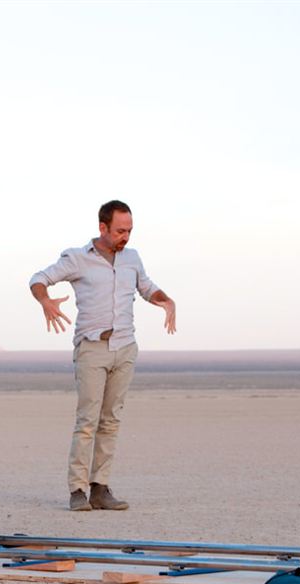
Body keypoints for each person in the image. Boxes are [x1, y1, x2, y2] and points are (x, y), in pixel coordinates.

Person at [29, 200, 176, 512]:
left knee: (111, 421)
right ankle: (77, 490)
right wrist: (46, 301)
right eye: (120, 230)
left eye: (130, 230)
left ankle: (100, 487)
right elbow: (38, 278)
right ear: (103, 227)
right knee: (87, 422)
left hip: (124, 348)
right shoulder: (78, 258)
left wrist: (167, 301)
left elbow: (147, 288)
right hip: (92, 348)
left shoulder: (132, 258)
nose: (126, 236)